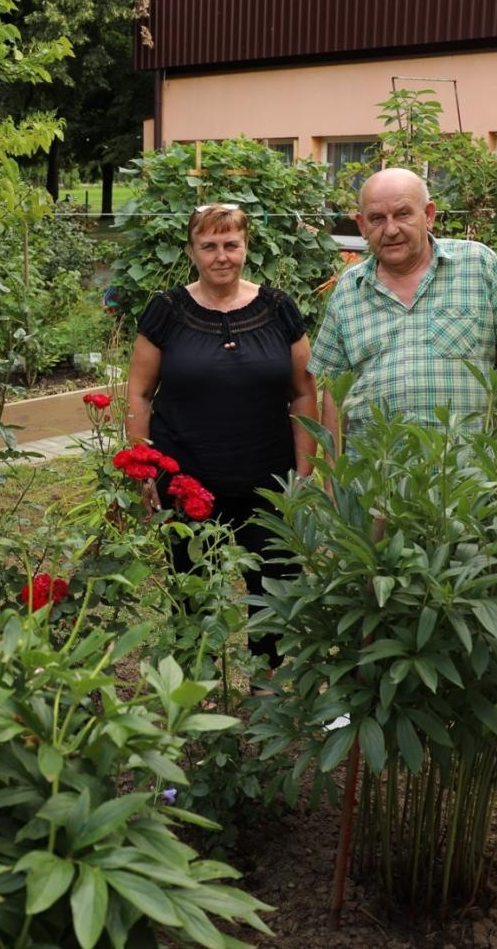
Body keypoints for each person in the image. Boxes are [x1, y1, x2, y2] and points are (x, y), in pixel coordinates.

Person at [125, 203, 319, 673]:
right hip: (188, 479)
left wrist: (306, 474)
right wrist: (144, 469)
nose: (221, 256)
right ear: (191, 251)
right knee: (192, 587)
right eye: (208, 246)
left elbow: (304, 391)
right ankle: (197, 678)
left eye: (231, 244)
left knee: (273, 586)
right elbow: (139, 391)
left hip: (268, 478)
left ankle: (264, 685)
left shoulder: (278, 308)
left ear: (246, 247)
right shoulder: (167, 310)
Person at [309, 168, 497, 441]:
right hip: (375, 476)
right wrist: (333, 481)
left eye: (403, 214)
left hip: (464, 474)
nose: (391, 229)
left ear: (428, 215)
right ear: (362, 226)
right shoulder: (348, 290)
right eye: (377, 219)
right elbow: (336, 395)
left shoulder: (478, 265)